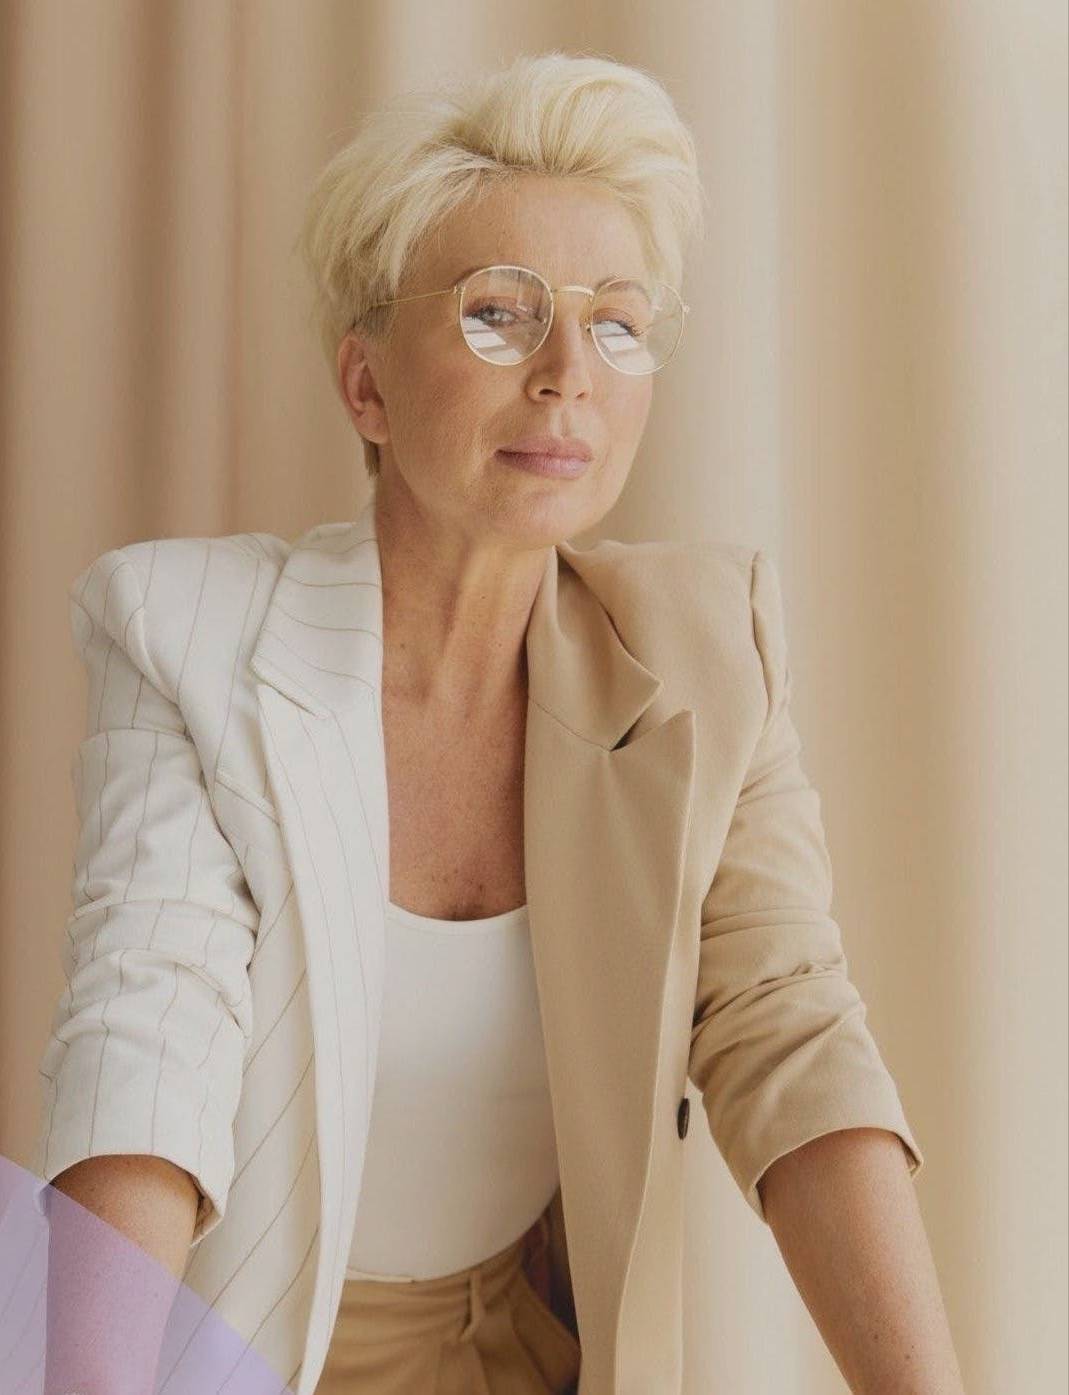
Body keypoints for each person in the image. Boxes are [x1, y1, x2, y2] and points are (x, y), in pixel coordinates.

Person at [32, 50, 964, 1395]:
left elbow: (787, 1030)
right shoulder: (188, 637)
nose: (568, 372)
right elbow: (144, 1051)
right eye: (497, 316)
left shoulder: (704, 649)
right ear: (366, 385)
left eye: (617, 323)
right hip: (230, 1351)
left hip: (515, 1353)